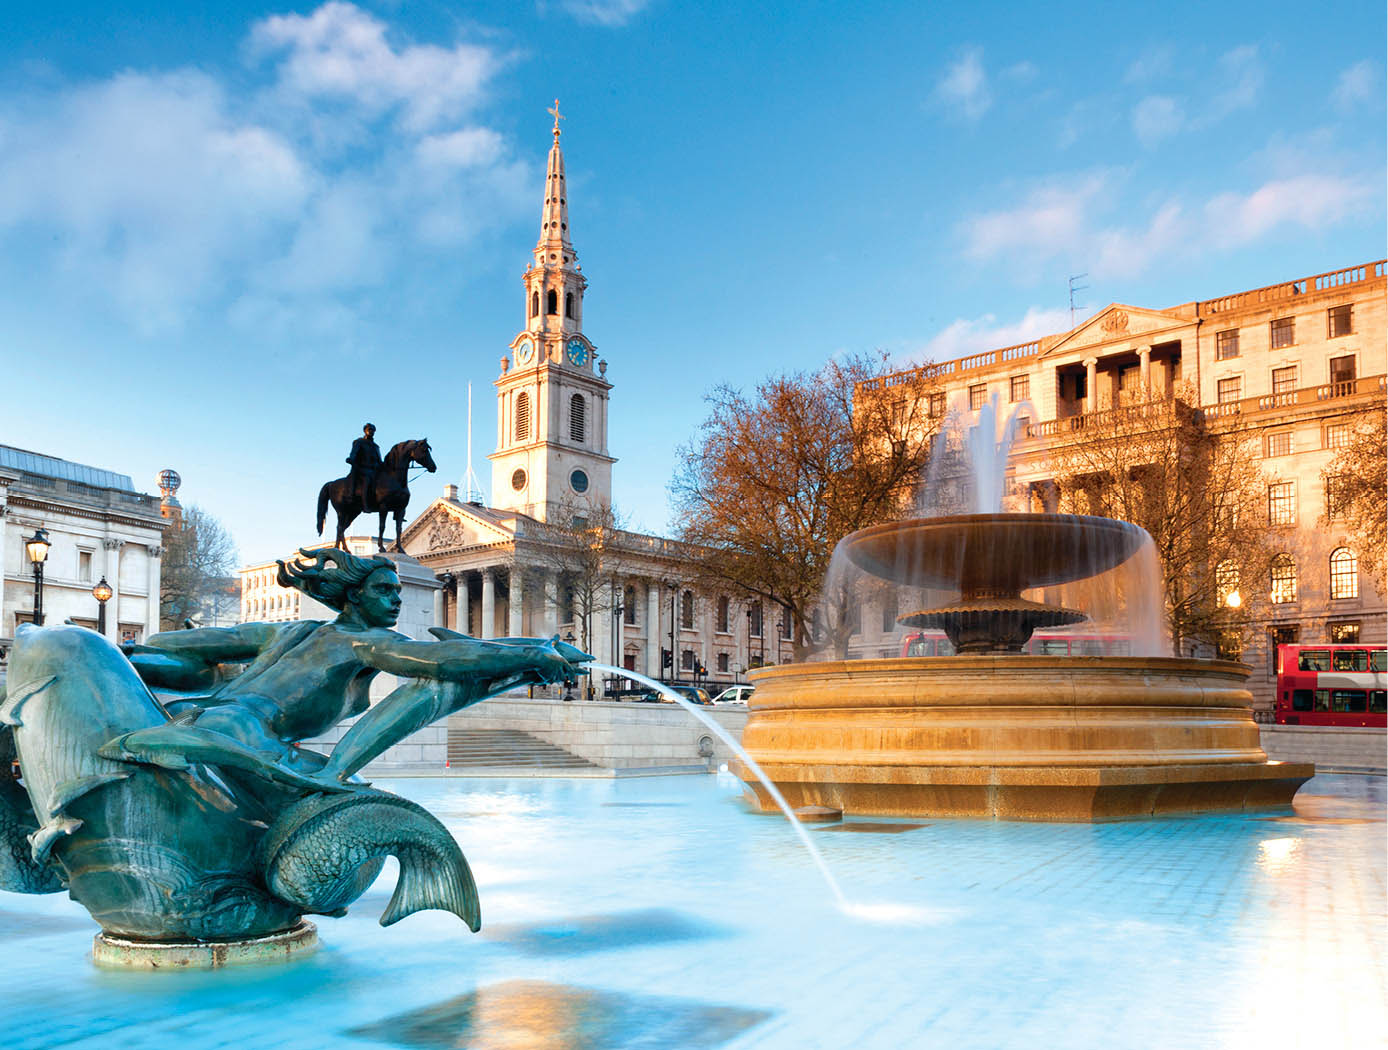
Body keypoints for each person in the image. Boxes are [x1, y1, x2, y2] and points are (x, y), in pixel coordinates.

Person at [113, 547, 588, 790]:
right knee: (430, 692)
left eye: (399, 591)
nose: (398, 598)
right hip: (243, 740)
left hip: (190, 715)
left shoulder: (287, 632)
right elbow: (440, 661)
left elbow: (174, 644)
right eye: (386, 590)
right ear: (355, 595)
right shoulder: (366, 642)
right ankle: (334, 775)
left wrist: (130, 657)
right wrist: (528, 657)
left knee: (196, 672)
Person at [346, 423, 382, 511]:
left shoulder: (376, 446)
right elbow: (354, 453)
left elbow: (379, 461)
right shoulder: (359, 442)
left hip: (374, 470)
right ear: (365, 431)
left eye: (373, 430)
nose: (371, 432)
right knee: (367, 479)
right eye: (369, 429)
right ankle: (365, 504)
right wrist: (351, 459)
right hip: (362, 469)